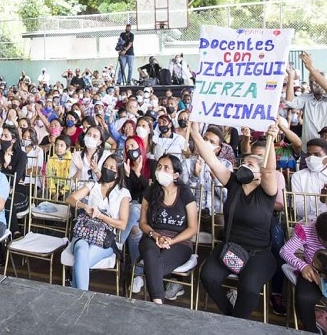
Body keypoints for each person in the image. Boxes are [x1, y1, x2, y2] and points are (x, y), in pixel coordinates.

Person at [193, 122, 278, 320]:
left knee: (248, 288)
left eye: (251, 165)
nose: (244, 166)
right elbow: (212, 160)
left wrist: (271, 139)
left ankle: (236, 324)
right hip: (231, 248)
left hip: (259, 254)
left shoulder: (266, 193)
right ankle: (231, 316)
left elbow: (268, 172)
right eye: (244, 162)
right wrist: (195, 132)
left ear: (258, 174)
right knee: (208, 277)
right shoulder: (233, 184)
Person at [138, 154, 198, 304]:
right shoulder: (150, 192)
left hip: (179, 242)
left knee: (156, 267)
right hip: (152, 237)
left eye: (166, 168)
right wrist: (156, 236)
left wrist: (172, 241)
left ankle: (156, 303)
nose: (161, 170)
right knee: (151, 254)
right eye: (159, 166)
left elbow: (192, 228)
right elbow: (143, 223)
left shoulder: (185, 193)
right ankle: (158, 304)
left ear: (175, 175)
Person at [66, 153, 130, 291]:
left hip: (104, 239)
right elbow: (70, 199)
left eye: (112, 167)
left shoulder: (123, 193)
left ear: (118, 174)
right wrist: (85, 207)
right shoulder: (93, 185)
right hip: (84, 232)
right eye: (105, 166)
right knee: (81, 250)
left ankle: (76, 295)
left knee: (81, 262)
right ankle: (81, 298)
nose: (107, 169)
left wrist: (101, 216)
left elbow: (122, 224)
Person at [280, 212, 327, 333]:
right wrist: (303, 266)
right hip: (314, 271)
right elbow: (285, 251)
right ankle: (312, 330)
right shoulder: (308, 230)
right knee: (303, 298)